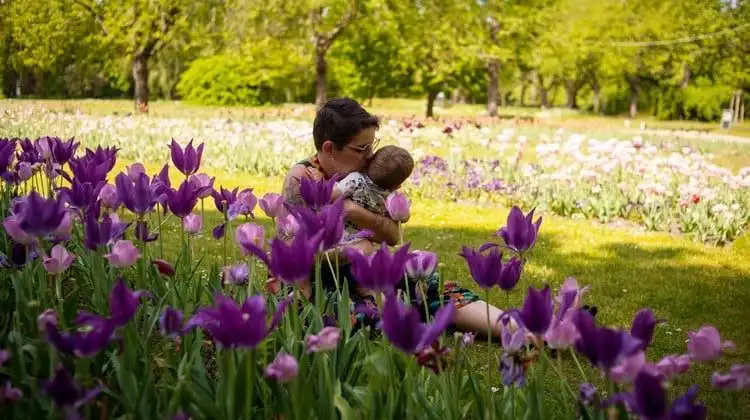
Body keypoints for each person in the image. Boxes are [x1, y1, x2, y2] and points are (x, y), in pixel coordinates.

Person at [279, 98, 509, 338]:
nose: (370, 155)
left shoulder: (366, 174)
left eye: (371, 145)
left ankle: (527, 333)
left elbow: (393, 235)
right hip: (319, 283)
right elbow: (293, 256)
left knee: (431, 286)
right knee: (359, 314)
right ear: (329, 148)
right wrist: (358, 249)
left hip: (368, 273)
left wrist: (355, 212)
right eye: (361, 149)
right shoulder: (303, 178)